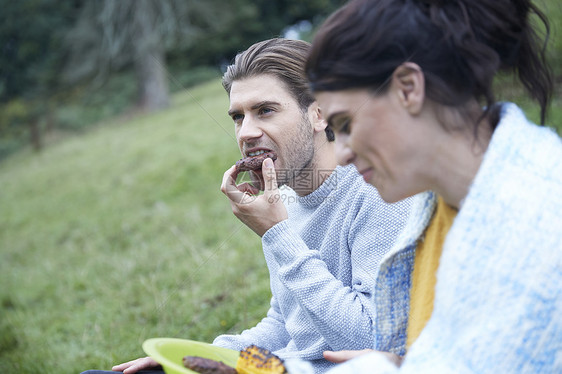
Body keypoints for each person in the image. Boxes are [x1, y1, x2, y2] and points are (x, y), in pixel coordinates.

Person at [82, 38, 412, 374]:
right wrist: (201, 356)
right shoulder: (284, 201)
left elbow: (371, 341)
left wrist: (278, 234)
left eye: (265, 110)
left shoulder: (378, 193)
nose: (247, 132)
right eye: (238, 117)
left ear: (319, 114)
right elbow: (286, 324)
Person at [300, 0, 562, 372]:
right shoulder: (439, 202)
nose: (341, 153)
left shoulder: (536, 225)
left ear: (408, 88)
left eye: (345, 124)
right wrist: (402, 361)